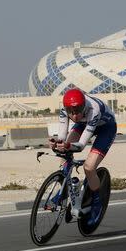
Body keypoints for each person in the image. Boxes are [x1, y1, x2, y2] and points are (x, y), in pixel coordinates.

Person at [49, 88, 117, 226]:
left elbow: (80, 146)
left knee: (89, 167)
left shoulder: (94, 110)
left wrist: (69, 146)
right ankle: (64, 188)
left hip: (106, 128)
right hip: (84, 124)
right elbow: (62, 137)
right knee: (64, 151)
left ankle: (97, 203)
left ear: (84, 105)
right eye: (71, 112)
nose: (74, 116)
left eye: (78, 110)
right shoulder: (65, 109)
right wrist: (57, 143)